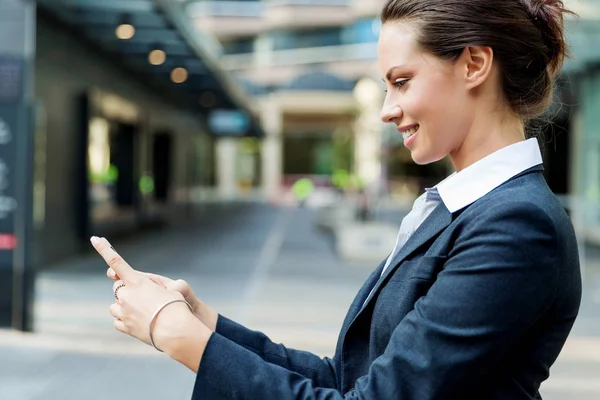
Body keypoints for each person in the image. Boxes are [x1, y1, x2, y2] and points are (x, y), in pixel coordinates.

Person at [91, 0, 582, 398]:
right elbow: (348, 379)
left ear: (474, 64)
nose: (388, 110)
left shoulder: (515, 224)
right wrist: (205, 323)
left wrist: (178, 337)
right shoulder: (466, 210)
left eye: (402, 81)